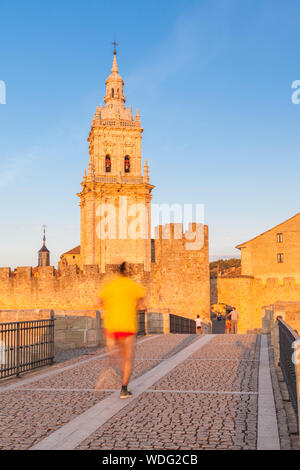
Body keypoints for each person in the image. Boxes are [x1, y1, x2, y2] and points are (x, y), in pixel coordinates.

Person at [97, 261, 145, 399]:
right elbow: (143, 305)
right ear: (128, 272)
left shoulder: (111, 286)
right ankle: (124, 389)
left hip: (111, 325)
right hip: (128, 326)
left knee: (113, 352)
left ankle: (108, 367)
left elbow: (100, 301)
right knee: (127, 358)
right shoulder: (133, 286)